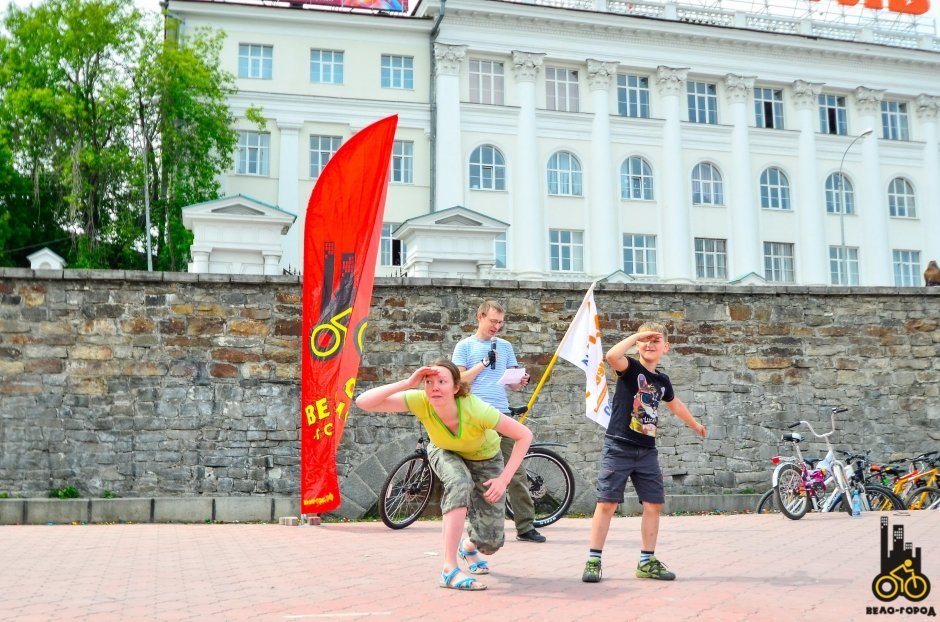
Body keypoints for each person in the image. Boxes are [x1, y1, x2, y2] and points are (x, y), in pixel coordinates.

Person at [355, 359, 533, 591]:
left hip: (485, 458)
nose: (435, 387)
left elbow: (524, 435)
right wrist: (408, 383)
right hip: (444, 451)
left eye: (442, 382)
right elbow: (363, 402)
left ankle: (468, 547)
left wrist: (504, 479)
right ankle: (449, 568)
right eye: (429, 382)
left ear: (456, 387)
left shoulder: (477, 409)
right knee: (459, 482)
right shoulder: (421, 401)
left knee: (490, 542)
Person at [581, 322, 707, 583]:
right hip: (619, 445)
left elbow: (675, 404)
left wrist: (694, 424)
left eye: (655, 340)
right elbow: (611, 356)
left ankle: (647, 562)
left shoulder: (662, 381)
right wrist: (636, 335)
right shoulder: (630, 368)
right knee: (607, 503)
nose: (649, 344)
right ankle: (594, 560)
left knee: (653, 504)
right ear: (637, 344)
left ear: (666, 347)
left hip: (647, 451)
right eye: (644, 341)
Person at [452, 300, 545, 544]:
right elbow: (459, 380)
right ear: (479, 316)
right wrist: (483, 363)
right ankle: (471, 526)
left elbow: (511, 382)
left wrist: (519, 381)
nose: (497, 327)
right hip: (473, 415)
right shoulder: (464, 346)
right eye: (493, 321)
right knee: (469, 473)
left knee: (515, 472)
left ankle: (525, 526)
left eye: (500, 323)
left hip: (501, 414)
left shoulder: (505, 347)